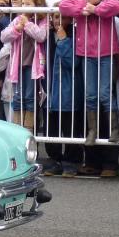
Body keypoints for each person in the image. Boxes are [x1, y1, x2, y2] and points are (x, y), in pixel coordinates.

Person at [59, 0, 119, 177]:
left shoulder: (108, 2)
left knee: (105, 93)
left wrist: (95, 10)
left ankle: (114, 130)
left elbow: (115, 6)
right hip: (87, 54)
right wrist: (83, 8)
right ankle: (92, 131)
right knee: (90, 95)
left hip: (105, 54)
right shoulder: (82, 3)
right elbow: (64, 5)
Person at [0, 0, 48, 129]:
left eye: (28, 4)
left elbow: (41, 36)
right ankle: (18, 128)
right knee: (18, 97)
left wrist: (27, 24)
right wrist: (17, 28)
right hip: (17, 65)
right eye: (23, 4)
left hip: (33, 66)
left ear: (37, 5)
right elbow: (3, 37)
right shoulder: (18, 20)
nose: (24, 7)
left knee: (30, 97)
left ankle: (28, 129)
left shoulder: (43, 20)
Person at [42, 12, 83, 177]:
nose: (58, 21)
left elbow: (72, 62)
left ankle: (71, 161)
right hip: (49, 88)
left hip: (68, 88)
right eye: (55, 17)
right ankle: (55, 160)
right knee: (51, 127)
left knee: (70, 126)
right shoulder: (45, 36)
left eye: (63, 17)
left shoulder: (74, 35)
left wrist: (63, 40)